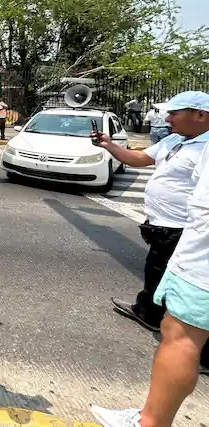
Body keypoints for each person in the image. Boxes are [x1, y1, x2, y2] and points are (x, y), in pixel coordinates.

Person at [91, 125, 209, 427]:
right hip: (177, 237)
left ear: (200, 115)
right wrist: (108, 145)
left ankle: (150, 422)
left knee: (182, 337)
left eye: (176, 112)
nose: (167, 118)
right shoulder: (175, 141)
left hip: (195, 249)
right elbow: (140, 158)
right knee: (175, 326)